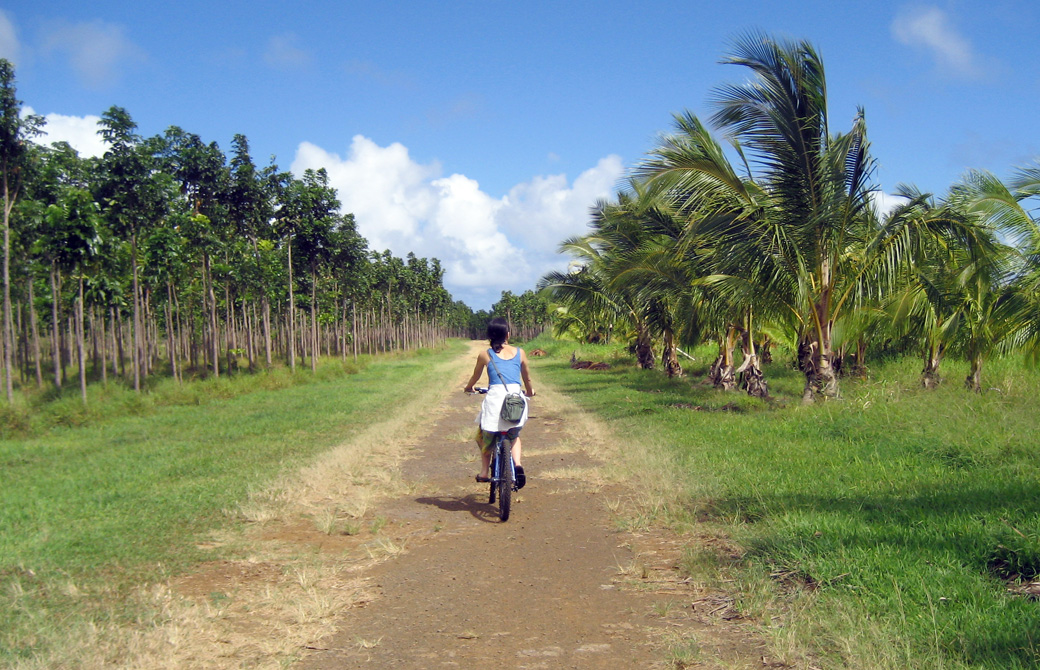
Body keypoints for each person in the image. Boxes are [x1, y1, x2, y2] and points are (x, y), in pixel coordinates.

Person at [463, 317, 535, 488]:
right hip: (515, 401)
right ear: (507, 334)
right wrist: (530, 392)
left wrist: (469, 387)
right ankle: (517, 465)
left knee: (484, 437)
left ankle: (484, 472)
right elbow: (527, 378)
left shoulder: (484, 355)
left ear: (489, 336)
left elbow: (475, 377)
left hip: (495, 400)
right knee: (514, 434)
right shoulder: (520, 352)